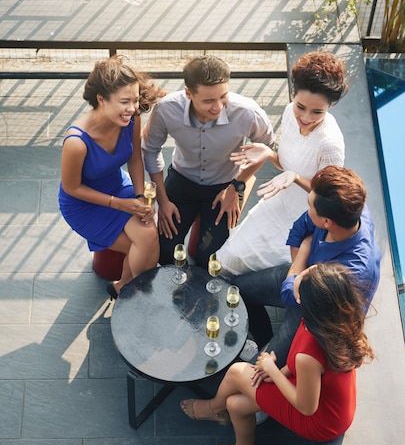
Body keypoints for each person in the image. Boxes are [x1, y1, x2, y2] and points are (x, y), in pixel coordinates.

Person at [180, 262, 375, 445]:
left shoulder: (309, 354)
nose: (303, 270)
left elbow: (306, 407)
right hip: (324, 399)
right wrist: (280, 371)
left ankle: (214, 408)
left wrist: (273, 371)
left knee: (236, 372)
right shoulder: (331, 319)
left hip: (321, 420)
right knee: (235, 404)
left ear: (300, 301)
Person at [216, 50, 348, 278]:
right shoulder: (289, 113)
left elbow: (329, 197)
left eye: (317, 111)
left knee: (249, 275)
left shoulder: (330, 144)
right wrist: (268, 153)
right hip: (278, 204)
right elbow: (285, 164)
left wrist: (295, 177)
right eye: (301, 106)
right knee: (227, 258)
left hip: (304, 220)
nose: (306, 117)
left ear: (330, 107)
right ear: (293, 95)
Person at [235, 166, 382, 367]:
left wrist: (304, 251)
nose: (308, 209)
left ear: (327, 222)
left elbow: (291, 295)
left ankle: (272, 349)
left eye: (310, 206)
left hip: (315, 316)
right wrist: (300, 268)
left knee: (256, 373)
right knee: (236, 290)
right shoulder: (354, 208)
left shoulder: (351, 273)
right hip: (300, 278)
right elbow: (299, 229)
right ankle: (264, 338)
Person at [141, 54, 275, 268]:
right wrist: (163, 201)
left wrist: (237, 185)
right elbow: (150, 151)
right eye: (208, 101)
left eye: (223, 96)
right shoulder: (166, 109)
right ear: (188, 94)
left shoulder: (248, 112)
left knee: (210, 260)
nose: (218, 107)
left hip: (224, 186)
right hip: (182, 180)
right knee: (164, 255)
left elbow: (267, 148)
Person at [59, 55, 165, 299]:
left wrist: (140, 198)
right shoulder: (76, 142)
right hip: (85, 204)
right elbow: (72, 187)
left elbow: (135, 159)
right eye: (125, 102)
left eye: (136, 100)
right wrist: (119, 204)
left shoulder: (131, 120)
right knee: (141, 247)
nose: (133, 109)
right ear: (101, 99)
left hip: (120, 188)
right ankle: (139, 293)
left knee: (148, 232)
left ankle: (124, 288)